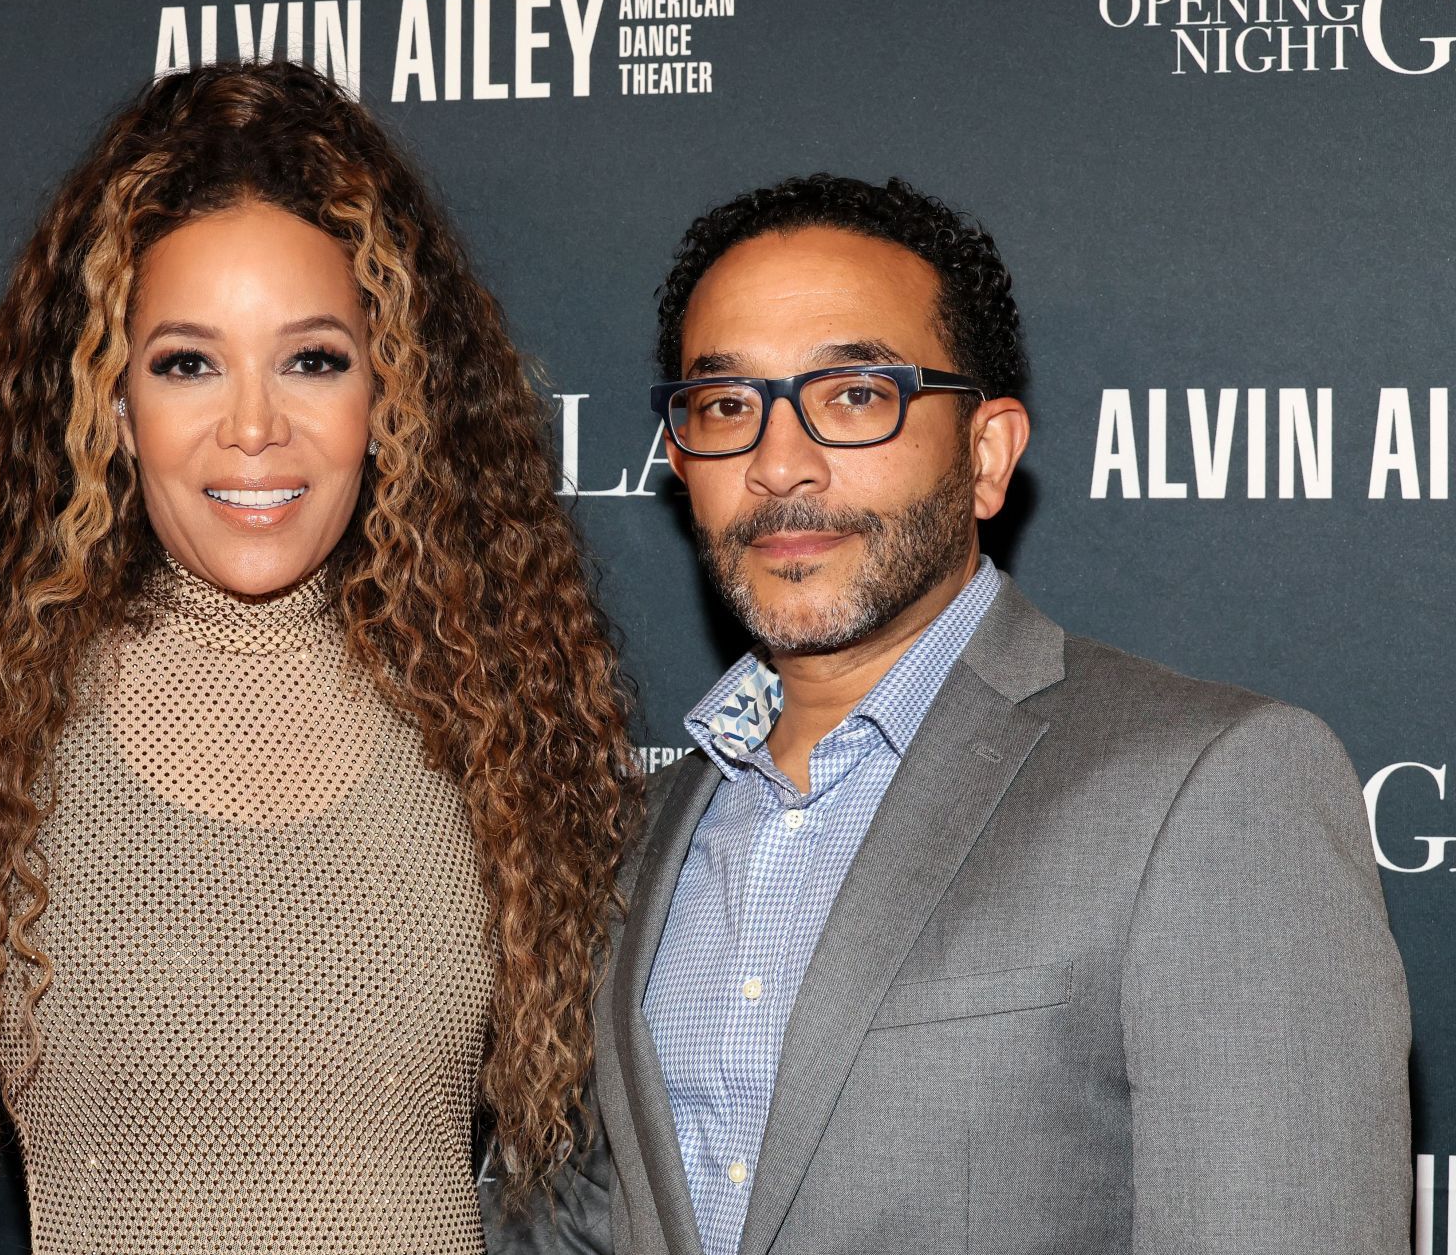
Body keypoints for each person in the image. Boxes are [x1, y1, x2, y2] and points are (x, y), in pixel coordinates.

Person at [0, 61, 638, 1255]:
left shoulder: (497, 716)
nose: (255, 426)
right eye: (187, 363)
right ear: (113, 405)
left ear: (391, 392)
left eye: (314, 358)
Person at [583, 174, 1410, 1254]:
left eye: (853, 394)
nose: (780, 463)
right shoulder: (636, 832)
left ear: (985, 455)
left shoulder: (1212, 788)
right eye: (726, 406)